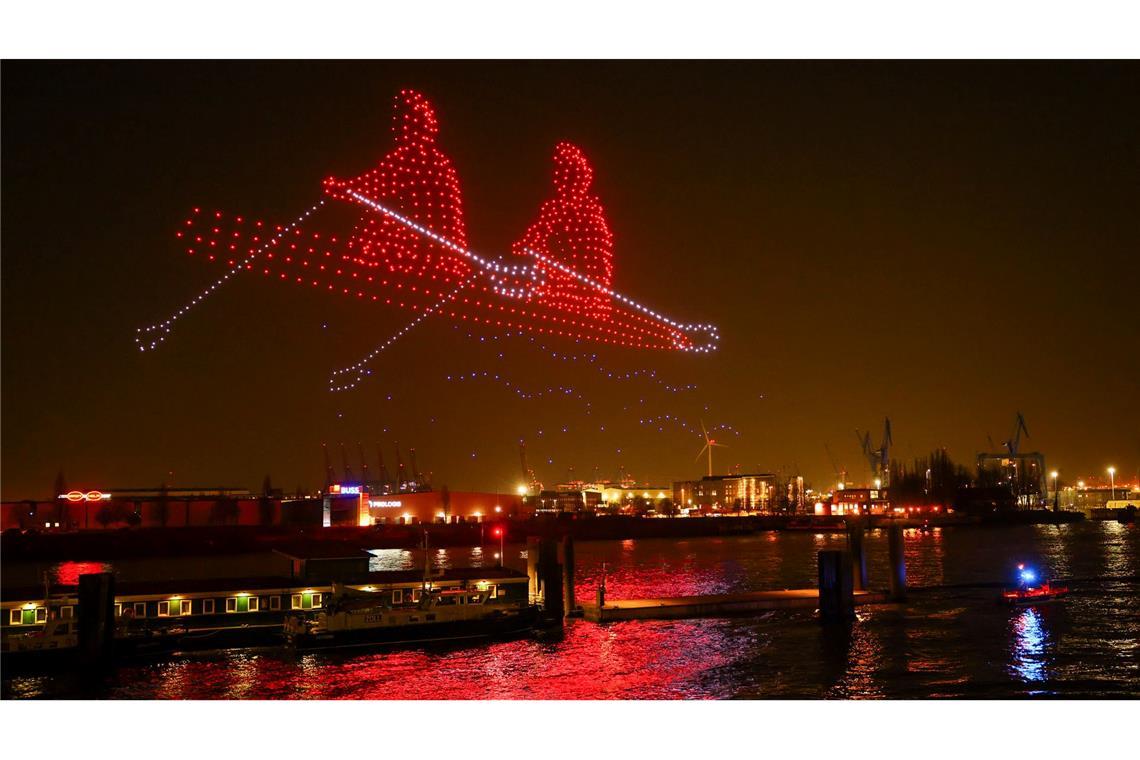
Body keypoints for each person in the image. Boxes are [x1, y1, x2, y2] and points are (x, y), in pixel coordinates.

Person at [323, 90, 470, 284]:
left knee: (370, 240)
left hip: (417, 247)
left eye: (400, 120)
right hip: (445, 256)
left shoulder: (411, 155)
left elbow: (376, 184)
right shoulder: (442, 161)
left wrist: (342, 188)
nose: (397, 126)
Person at [513, 142, 614, 322]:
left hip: (573, 284)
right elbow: (535, 235)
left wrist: (528, 245)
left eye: (568, 176)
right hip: (563, 279)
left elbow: (597, 251)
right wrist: (525, 246)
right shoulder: (562, 207)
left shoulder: (589, 210)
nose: (561, 181)